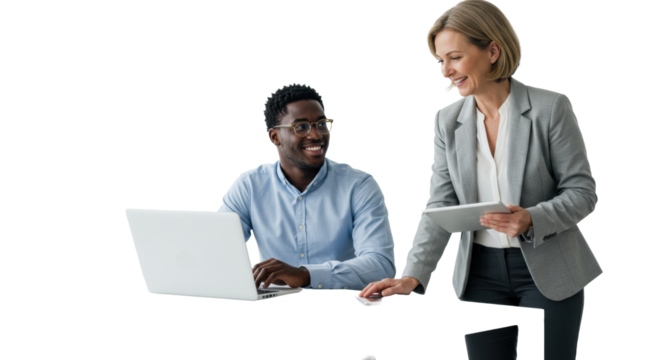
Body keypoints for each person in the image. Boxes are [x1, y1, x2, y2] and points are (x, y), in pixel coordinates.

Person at [357, 0, 602, 358]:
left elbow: (583, 192)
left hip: (550, 271)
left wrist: (531, 218)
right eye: (440, 61)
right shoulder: (448, 121)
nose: (445, 72)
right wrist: (413, 275)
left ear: (492, 50)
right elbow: (440, 206)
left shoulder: (551, 108)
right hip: (480, 274)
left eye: (454, 57)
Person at [217, 82, 396, 292]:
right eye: (300, 127)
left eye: (321, 124)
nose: (316, 135)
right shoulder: (249, 186)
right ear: (275, 137)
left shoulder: (359, 185)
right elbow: (217, 251)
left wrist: (305, 275)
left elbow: (381, 267)